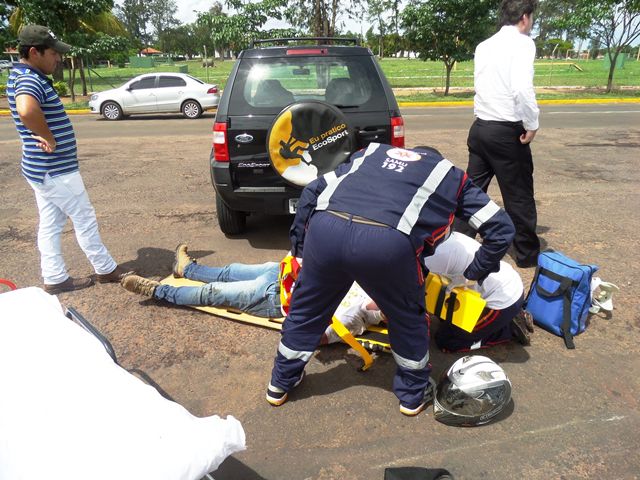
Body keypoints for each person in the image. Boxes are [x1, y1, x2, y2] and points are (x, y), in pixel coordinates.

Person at [266, 142, 516, 416]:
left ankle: (279, 384)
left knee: (307, 311)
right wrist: (475, 271)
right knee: (408, 319)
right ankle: (412, 395)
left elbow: (313, 190)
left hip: (325, 231)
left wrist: (300, 248)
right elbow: (501, 228)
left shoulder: (371, 153)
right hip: (387, 243)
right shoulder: (450, 176)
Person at [7, 25, 128, 294]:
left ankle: (55, 277)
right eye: (53, 53)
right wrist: (49, 137)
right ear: (35, 52)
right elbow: (27, 110)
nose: (58, 58)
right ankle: (106, 269)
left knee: (51, 224)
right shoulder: (29, 79)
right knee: (84, 217)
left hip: (42, 170)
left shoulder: (22, 75)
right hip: (54, 169)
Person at [121, 244, 383, 343]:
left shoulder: (354, 318)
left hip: (272, 298)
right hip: (283, 274)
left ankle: (158, 291)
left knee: (213, 293)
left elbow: (318, 338)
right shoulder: (368, 282)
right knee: (230, 270)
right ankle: (187, 269)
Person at [459, 0, 541, 268]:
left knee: (471, 192)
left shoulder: (484, 45)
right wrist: (532, 123)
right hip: (507, 131)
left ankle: (458, 241)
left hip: (481, 128)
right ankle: (526, 254)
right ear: (525, 17)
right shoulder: (523, 43)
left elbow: (480, 85)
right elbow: (521, 89)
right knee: (518, 195)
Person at [424, 232, 533, 352]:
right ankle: (502, 320)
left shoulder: (432, 256)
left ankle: (507, 329)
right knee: (443, 314)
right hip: (487, 289)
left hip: (504, 300)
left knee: (447, 341)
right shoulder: (438, 234)